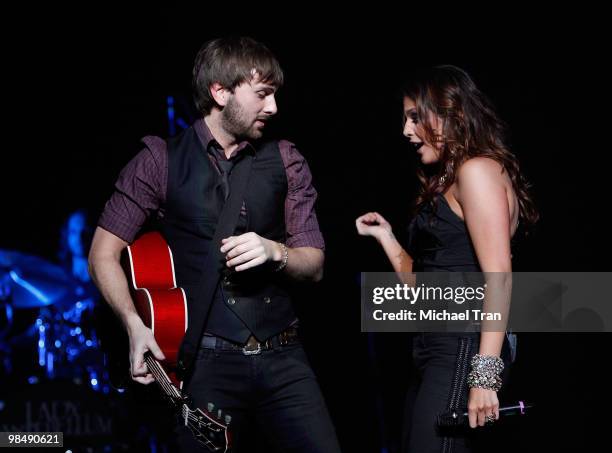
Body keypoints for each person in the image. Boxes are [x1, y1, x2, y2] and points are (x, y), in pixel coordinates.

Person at [88, 36, 341, 452]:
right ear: (219, 92)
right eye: (262, 94)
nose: (274, 108)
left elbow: (314, 264)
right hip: (206, 364)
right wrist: (134, 326)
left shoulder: (286, 158)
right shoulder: (158, 160)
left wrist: (278, 252)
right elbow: (102, 254)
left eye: (274, 95)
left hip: (284, 358)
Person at [356, 65, 538, 452]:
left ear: (449, 112)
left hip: (463, 344)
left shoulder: (477, 170)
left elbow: (499, 275)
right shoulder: (451, 179)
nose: (406, 131)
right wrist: (387, 238)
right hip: (435, 343)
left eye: (414, 116)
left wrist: (485, 374)